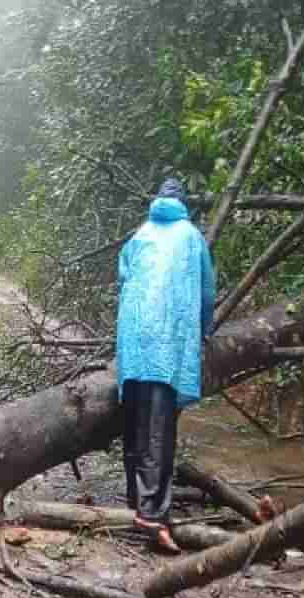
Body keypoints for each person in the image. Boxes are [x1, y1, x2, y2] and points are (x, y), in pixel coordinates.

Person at [115, 179, 214, 554]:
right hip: (166, 341)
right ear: (184, 204)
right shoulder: (191, 237)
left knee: (135, 419)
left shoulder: (139, 235)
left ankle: (134, 499)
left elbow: (124, 278)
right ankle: (153, 515)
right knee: (160, 429)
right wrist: (204, 331)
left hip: (133, 339)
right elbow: (206, 291)